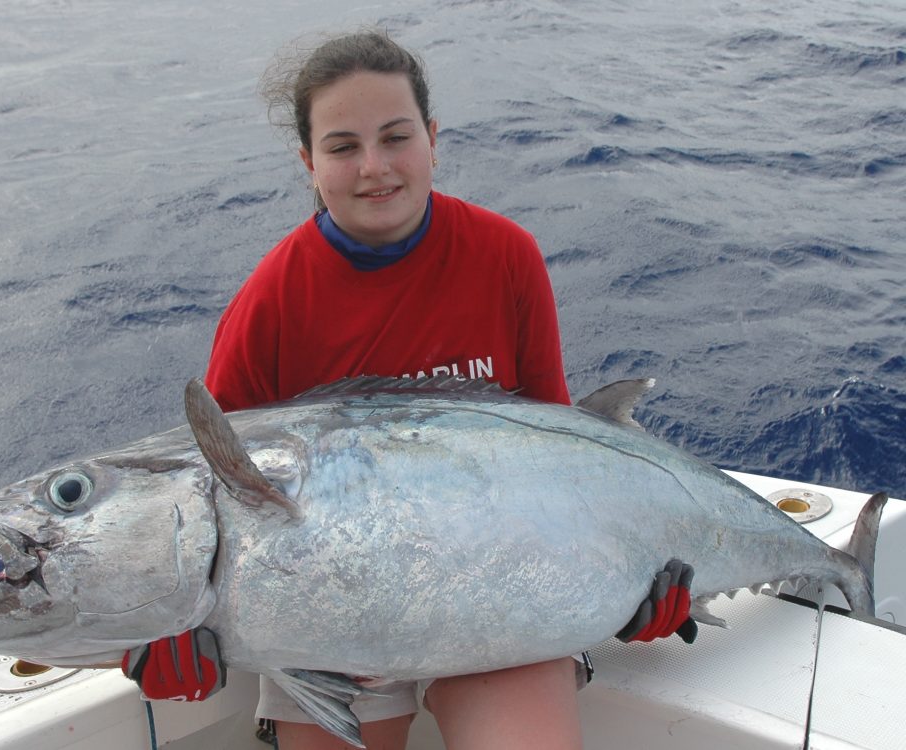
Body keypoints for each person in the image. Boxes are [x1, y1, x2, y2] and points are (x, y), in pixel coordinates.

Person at [121, 30, 695, 750]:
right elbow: (218, 509)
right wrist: (170, 632)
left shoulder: (504, 255)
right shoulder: (270, 304)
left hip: (506, 599)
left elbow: (565, 449)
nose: (374, 168)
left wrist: (633, 583)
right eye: (342, 147)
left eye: (396, 137)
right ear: (308, 163)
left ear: (432, 139)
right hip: (324, 629)